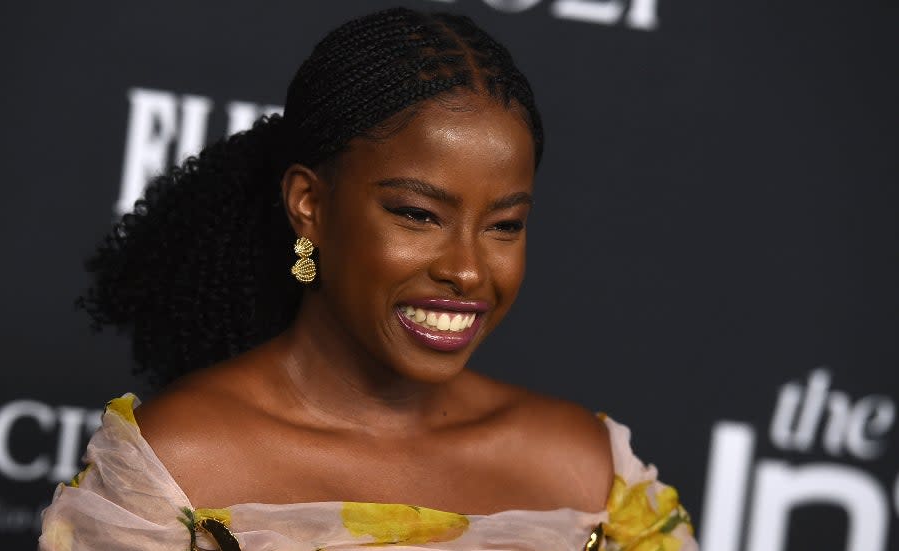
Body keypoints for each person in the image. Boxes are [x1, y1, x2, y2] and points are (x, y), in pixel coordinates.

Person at [39, 6, 698, 551]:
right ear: (310, 205)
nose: (467, 268)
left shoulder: (591, 474)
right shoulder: (175, 471)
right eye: (418, 214)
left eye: (504, 225)